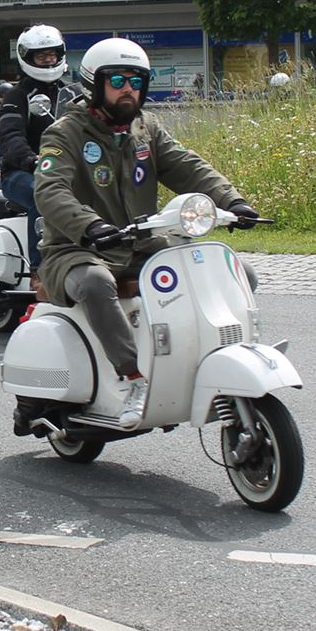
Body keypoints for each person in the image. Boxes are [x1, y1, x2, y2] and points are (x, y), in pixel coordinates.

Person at [33, 38, 260, 430]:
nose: (129, 89)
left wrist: (233, 201)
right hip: (75, 249)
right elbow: (50, 190)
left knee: (237, 272)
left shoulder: (145, 128)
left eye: (136, 81)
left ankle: (220, 360)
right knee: (95, 283)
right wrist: (90, 226)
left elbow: (187, 166)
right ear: (94, 84)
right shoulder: (64, 133)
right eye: (118, 80)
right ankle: (133, 378)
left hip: (141, 244)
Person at [0, 25, 73, 268]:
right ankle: (41, 271)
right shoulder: (17, 96)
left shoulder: (71, 93)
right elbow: (11, 137)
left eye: (52, 54)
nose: (49, 60)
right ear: (28, 58)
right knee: (43, 194)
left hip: (66, 170)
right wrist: (32, 160)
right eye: (41, 56)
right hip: (21, 173)